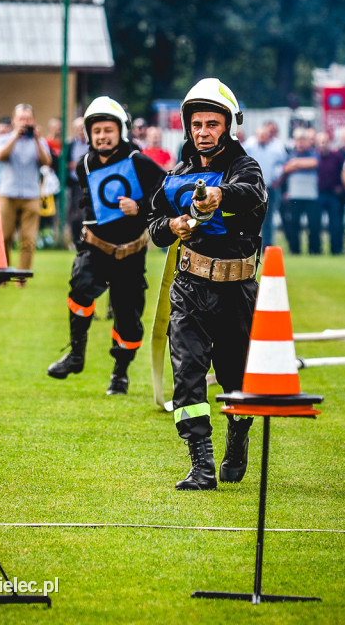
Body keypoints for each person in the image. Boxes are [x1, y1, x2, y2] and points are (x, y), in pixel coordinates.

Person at [148, 77, 267, 490]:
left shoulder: (245, 167)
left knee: (235, 376)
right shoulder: (176, 173)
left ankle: (238, 435)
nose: (203, 131)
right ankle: (200, 465)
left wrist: (220, 197)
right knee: (188, 374)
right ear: (187, 127)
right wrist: (171, 224)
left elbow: (252, 194)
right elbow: (154, 225)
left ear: (227, 126)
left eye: (212, 124)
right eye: (197, 124)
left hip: (236, 292)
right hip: (189, 288)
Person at [46, 96, 165, 395]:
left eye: (107, 130)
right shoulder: (84, 163)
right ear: (89, 133)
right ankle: (75, 355)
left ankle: (120, 374)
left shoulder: (138, 160)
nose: (102, 136)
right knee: (80, 288)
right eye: (96, 130)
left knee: (128, 320)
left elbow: (165, 192)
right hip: (95, 247)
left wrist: (139, 206)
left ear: (120, 131)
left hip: (132, 253)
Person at [0, 104, 51, 280]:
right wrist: (15, 136)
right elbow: (0, 156)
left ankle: (21, 279)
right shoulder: (4, 139)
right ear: (14, 121)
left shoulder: (39, 141)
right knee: (4, 237)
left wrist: (36, 140)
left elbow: (46, 162)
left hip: (31, 195)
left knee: (28, 240)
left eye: (28, 119)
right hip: (8, 194)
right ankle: (2, 276)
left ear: (33, 120)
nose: (25, 123)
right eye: (21, 119)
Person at [243, 124, 286, 251]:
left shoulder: (277, 147)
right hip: (252, 188)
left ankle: (267, 246)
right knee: (250, 217)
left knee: (268, 218)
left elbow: (282, 165)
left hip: (270, 188)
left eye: (264, 136)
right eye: (260, 136)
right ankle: (249, 245)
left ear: (269, 137)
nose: (262, 138)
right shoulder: (249, 146)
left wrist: (279, 179)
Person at [282, 128, 320, 254]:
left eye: (303, 140)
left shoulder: (313, 153)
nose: (301, 143)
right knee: (294, 225)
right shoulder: (289, 154)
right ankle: (295, 249)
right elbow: (285, 169)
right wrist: (296, 164)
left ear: (308, 142)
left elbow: (313, 163)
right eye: (298, 140)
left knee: (314, 225)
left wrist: (295, 163)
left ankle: (314, 249)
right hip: (294, 195)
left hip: (311, 195)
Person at [315, 131, 345, 254]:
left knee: (336, 224)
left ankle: (336, 249)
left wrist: (341, 186)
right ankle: (316, 249)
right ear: (317, 143)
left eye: (325, 141)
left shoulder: (337, 156)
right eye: (321, 142)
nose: (323, 144)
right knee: (316, 224)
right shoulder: (314, 156)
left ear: (329, 142)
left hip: (333, 195)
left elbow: (344, 172)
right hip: (318, 194)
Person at [65, 116, 89, 248]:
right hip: (75, 184)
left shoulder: (92, 145)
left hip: (90, 184)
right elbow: (65, 163)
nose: (81, 130)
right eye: (79, 128)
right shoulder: (70, 145)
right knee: (75, 215)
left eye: (83, 128)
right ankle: (76, 241)